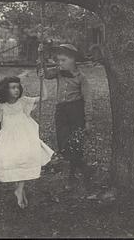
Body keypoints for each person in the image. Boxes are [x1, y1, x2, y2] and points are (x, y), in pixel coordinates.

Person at [0, 75, 54, 209]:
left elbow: (44, 97)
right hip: (8, 137)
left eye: (17, 87)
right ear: (5, 90)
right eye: (12, 88)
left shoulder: (23, 101)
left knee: (25, 158)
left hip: (25, 135)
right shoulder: (1, 105)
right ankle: (19, 188)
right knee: (13, 160)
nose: (16, 90)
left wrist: (42, 81)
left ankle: (19, 189)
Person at [40, 43, 93, 192]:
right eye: (58, 61)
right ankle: (85, 169)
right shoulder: (57, 72)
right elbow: (46, 74)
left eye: (63, 60)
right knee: (63, 144)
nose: (59, 63)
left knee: (75, 144)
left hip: (76, 112)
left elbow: (88, 99)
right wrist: (42, 62)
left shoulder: (82, 78)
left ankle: (72, 176)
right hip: (61, 111)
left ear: (73, 60)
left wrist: (88, 120)